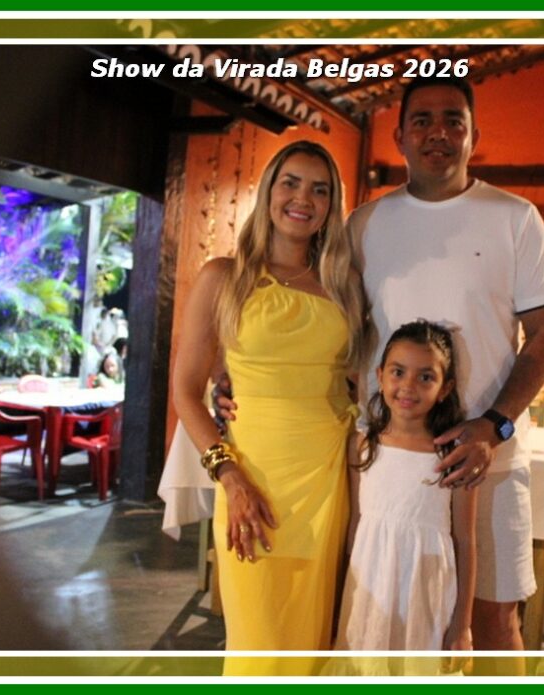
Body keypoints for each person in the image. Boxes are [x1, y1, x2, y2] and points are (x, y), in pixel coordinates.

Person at [348, 76, 544, 669]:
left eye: (453, 119)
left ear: (474, 135)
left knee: (493, 620)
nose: (437, 132)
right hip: (388, 460)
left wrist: (493, 425)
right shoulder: (364, 224)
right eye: (421, 120)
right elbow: (330, 322)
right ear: (399, 136)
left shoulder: (515, 218)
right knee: (380, 609)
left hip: (487, 460)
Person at [172, 140, 366, 676]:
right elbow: (185, 391)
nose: (303, 198)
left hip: (325, 482)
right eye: (291, 183)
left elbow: (356, 380)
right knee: (258, 645)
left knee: (310, 646)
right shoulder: (223, 277)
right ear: (268, 192)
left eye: (320, 190)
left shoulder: (344, 285)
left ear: (332, 206)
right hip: (251, 481)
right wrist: (230, 476)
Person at [332, 321, 476, 676]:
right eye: (398, 372)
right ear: (380, 376)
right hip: (369, 589)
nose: (408, 386)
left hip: (424, 593)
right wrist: (339, 601)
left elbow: (465, 540)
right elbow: (355, 526)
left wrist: (462, 625)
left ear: (445, 388)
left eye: (425, 377)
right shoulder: (362, 445)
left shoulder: (455, 455)